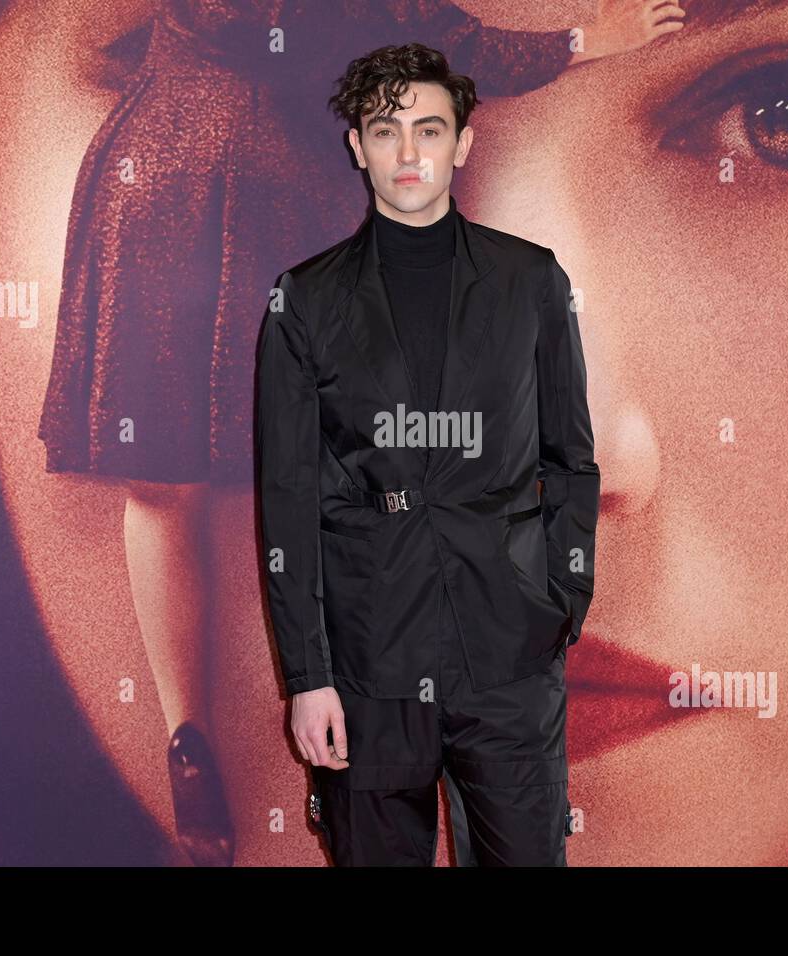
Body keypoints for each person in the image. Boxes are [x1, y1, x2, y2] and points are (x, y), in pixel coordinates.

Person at [256, 41, 601, 865]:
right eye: (385, 131)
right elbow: (287, 499)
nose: (409, 154)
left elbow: (572, 460)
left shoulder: (531, 282)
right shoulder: (305, 299)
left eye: (429, 130)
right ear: (356, 146)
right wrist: (308, 677)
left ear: (463, 143)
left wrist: (562, 600)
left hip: (509, 654)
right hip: (369, 659)